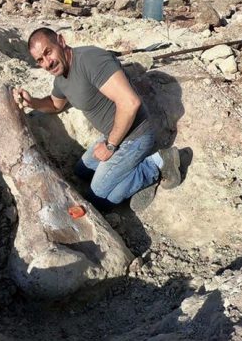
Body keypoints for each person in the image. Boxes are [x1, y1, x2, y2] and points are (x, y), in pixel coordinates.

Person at [13, 27, 181, 210]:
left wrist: (110, 145)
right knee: (82, 172)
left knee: (97, 200)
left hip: (136, 135)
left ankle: (157, 163)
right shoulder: (61, 78)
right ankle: (129, 179)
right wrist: (32, 102)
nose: (47, 63)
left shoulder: (91, 60)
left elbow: (130, 102)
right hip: (113, 134)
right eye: (40, 60)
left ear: (61, 41)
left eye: (48, 52)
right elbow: (55, 105)